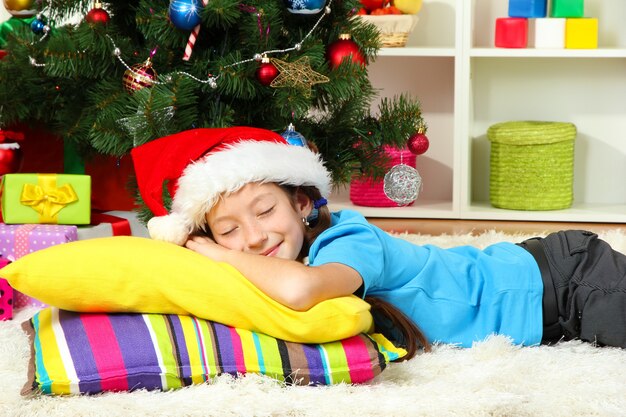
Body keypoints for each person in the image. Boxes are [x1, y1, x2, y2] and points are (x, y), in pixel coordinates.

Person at [131, 126, 626, 360]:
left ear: (303, 204)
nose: (255, 237)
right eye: (229, 229)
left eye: (264, 211)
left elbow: (305, 290)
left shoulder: (348, 238)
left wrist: (211, 249)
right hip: (549, 303)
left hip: (564, 281)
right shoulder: (270, 270)